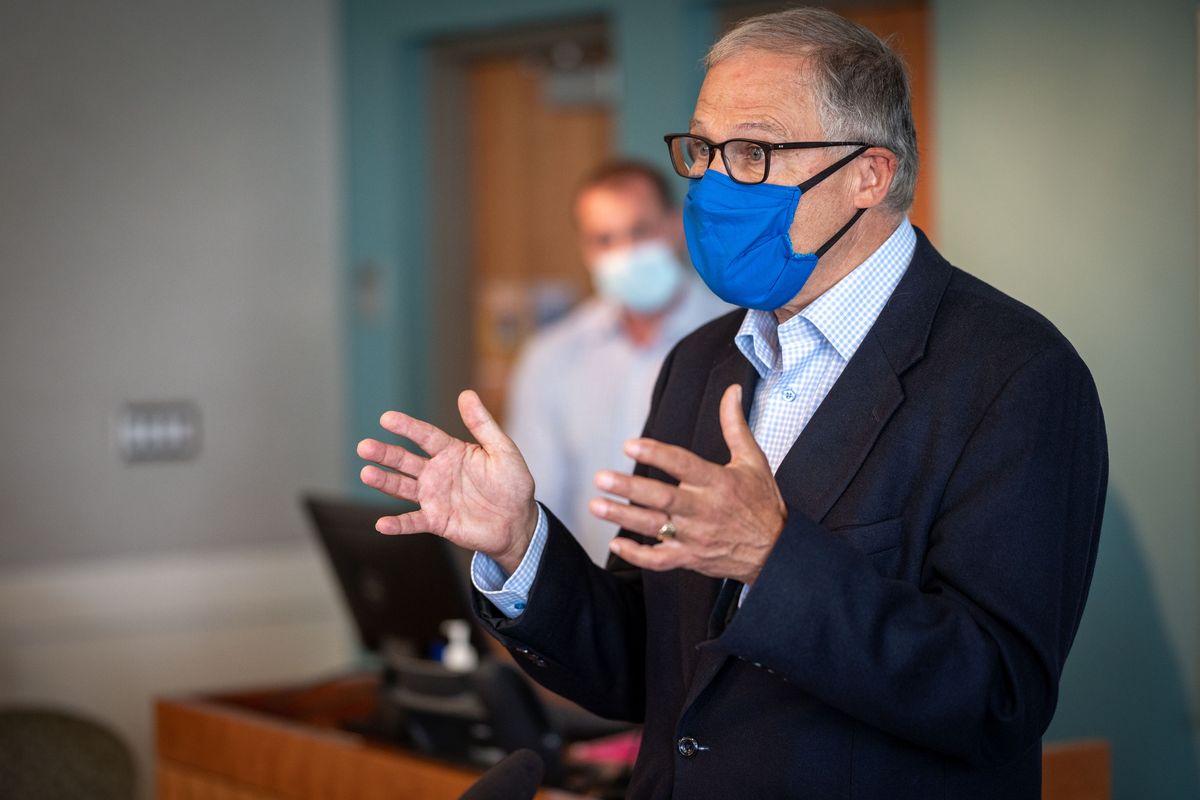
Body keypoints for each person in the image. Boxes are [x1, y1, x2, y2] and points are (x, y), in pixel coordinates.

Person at [356, 8, 1107, 798]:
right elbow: (644, 663)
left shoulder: (1016, 374)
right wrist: (521, 545)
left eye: (752, 152)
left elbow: (997, 698)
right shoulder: (704, 360)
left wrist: (773, 559)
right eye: (704, 150)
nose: (714, 184)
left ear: (869, 176)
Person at [507, 161, 728, 565]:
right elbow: (535, 501)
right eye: (604, 239)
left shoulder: (735, 335)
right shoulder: (551, 358)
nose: (624, 253)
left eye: (639, 231)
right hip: (590, 587)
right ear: (585, 249)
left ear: (675, 225)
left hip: (703, 589)